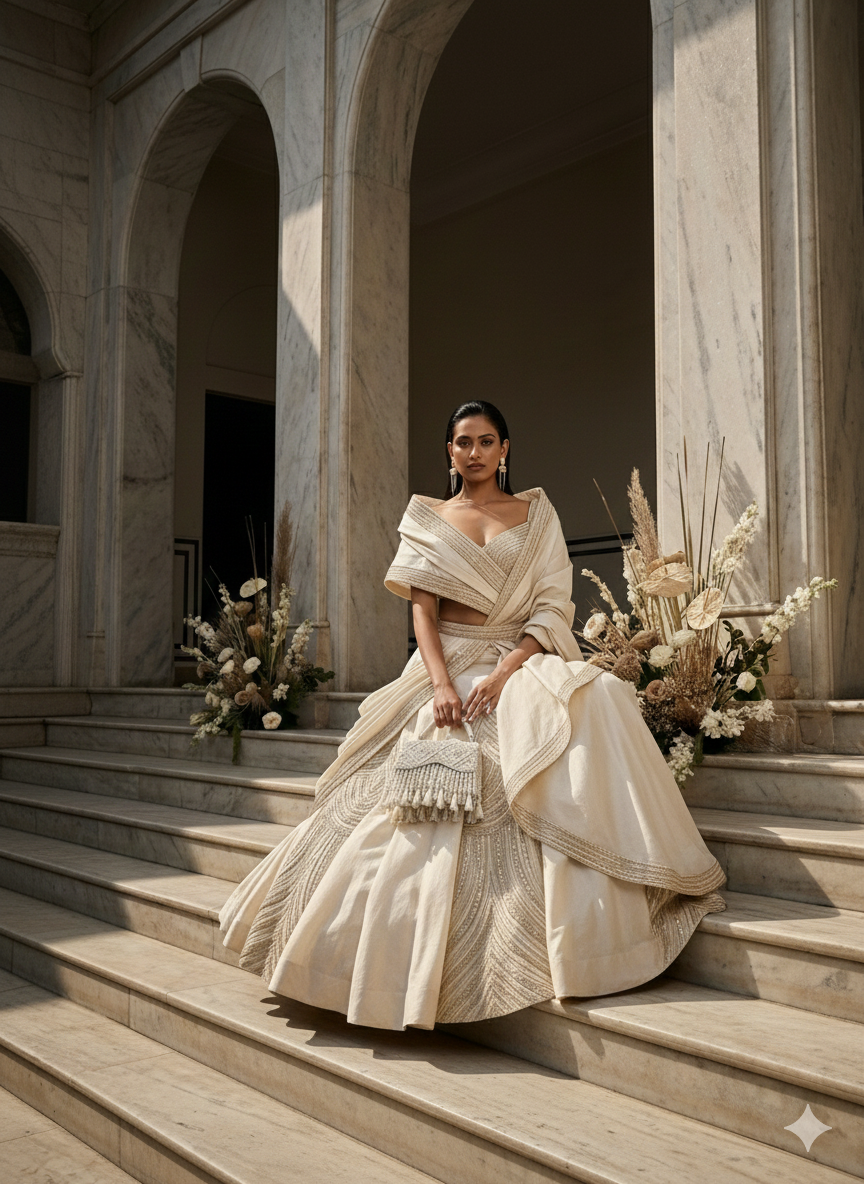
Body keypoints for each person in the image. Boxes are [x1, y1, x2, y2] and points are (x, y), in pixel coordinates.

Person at [220, 401, 725, 1030]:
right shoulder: (427, 518)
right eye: (463, 442)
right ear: (449, 452)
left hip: (516, 661)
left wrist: (509, 669)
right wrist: (440, 685)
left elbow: (551, 605)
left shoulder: (537, 516)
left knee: (596, 698)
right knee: (409, 801)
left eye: (487, 441)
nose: (475, 452)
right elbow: (423, 614)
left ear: (506, 449)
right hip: (447, 668)